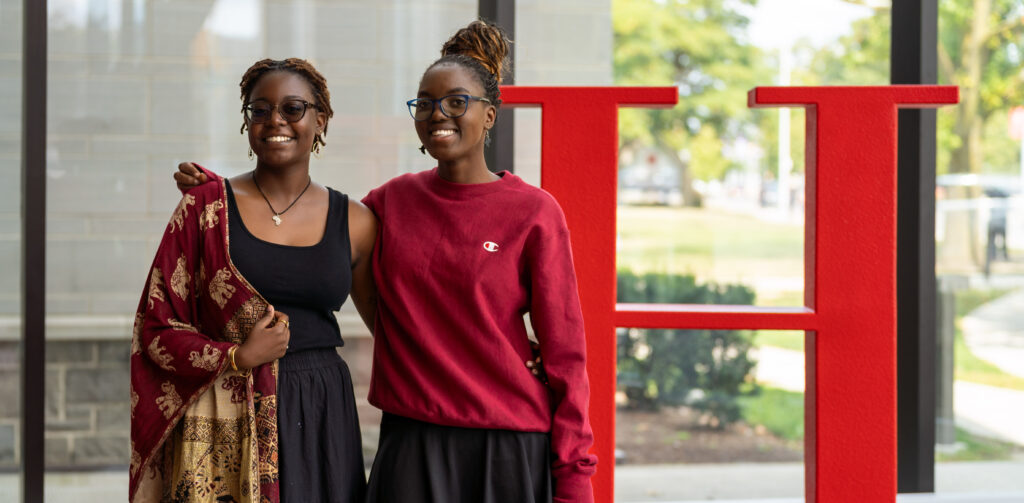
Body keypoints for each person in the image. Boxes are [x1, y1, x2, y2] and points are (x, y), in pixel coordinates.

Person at [174, 20, 596, 503]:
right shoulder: (390, 204)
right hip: (410, 439)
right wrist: (220, 194)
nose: (439, 114)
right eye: (426, 103)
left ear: (490, 115)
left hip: (506, 443)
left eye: (457, 102)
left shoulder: (535, 212)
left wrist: (575, 477)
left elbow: (567, 358)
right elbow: (301, 217)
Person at [131, 58, 377, 503]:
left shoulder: (356, 221)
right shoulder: (206, 209)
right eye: (259, 109)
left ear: (321, 120)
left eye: (293, 108)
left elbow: (388, 325)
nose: (275, 120)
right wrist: (236, 356)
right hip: (227, 407)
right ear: (247, 122)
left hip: (320, 404)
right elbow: (155, 329)